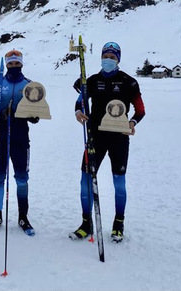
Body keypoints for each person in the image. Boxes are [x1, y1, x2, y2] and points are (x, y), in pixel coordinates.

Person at [70, 42, 145, 242]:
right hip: (96, 137)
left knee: (119, 183)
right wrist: (79, 112)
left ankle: (118, 224)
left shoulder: (129, 82)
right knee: (85, 180)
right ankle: (86, 224)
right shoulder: (93, 81)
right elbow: (81, 102)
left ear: (118, 59)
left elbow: (140, 109)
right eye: (106, 56)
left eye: (112, 57)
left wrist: (132, 122)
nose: (108, 60)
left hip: (119, 138)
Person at [0, 50, 39, 236]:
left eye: (17, 64)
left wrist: (34, 116)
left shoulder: (28, 85)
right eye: (11, 64)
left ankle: (23, 216)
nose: (14, 66)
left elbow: (35, 108)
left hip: (21, 138)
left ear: (21, 64)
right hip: (0, 136)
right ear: (6, 64)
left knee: (22, 179)